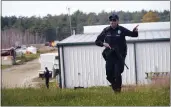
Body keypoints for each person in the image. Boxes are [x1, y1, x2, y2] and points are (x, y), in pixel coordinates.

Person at [95, 13, 139, 93]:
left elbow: (133, 35)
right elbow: (97, 41)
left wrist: (135, 31)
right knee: (109, 76)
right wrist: (103, 44)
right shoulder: (106, 30)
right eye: (111, 20)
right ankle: (116, 88)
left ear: (117, 21)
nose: (112, 22)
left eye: (114, 20)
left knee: (117, 73)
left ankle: (118, 92)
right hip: (110, 55)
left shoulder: (121, 30)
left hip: (120, 55)